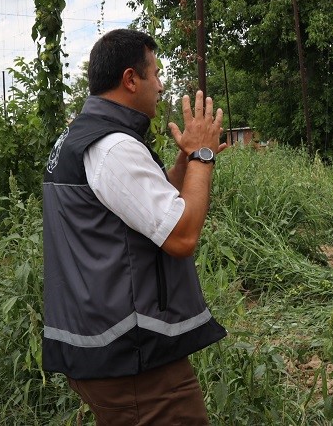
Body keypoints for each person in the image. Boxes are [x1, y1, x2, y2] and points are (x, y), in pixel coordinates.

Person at [42, 29, 227, 426]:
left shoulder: (82, 136)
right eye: (155, 74)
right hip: (133, 357)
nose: (161, 85)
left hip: (102, 342)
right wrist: (203, 157)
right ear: (130, 79)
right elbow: (181, 235)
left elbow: (146, 205)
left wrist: (184, 162)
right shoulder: (114, 147)